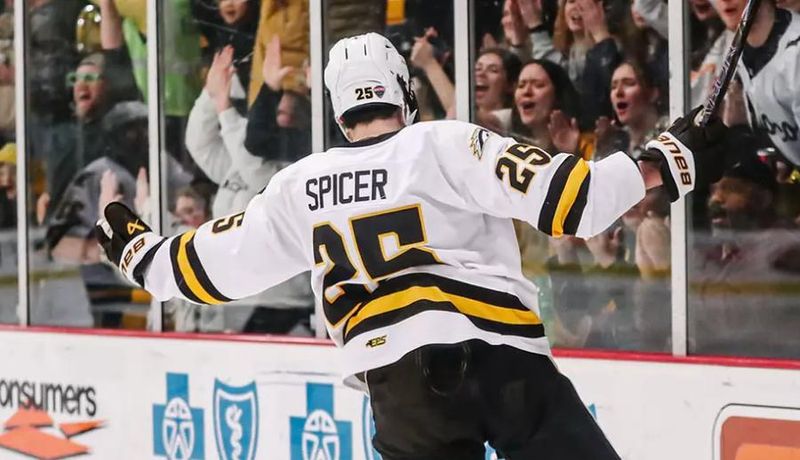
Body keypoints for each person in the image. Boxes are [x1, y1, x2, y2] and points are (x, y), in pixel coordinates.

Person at [96, 32, 727, 459]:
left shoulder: (300, 188)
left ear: (339, 111)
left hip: (401, 388)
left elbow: (206, 271)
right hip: (503, 360)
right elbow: (573, 201)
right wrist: (661, 160)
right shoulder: (446, 143)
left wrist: (131, 245)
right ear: (404, 90)